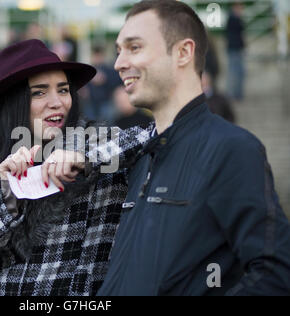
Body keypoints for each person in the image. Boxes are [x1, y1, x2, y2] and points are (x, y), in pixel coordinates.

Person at [94, 0, 290, 295]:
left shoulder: (232, 150)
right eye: (119, 50)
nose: (119, 63)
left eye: (134, 48)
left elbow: (274, 272)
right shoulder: (139, 156)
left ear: (183, 52)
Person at [0, 39, 151, 296]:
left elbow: (152, 134)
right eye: (39, 92)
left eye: (63, 90)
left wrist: (82, 158)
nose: (57, 102)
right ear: (14, 102)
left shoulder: (96, 138)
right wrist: (9, 199)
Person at [225, 2, 246, 101]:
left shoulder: (233, 18)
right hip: (234, 49)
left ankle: (237, 94)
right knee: (234, 72)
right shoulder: (233, 18)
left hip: (236, 48)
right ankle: (233, 94)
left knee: (238, 72)